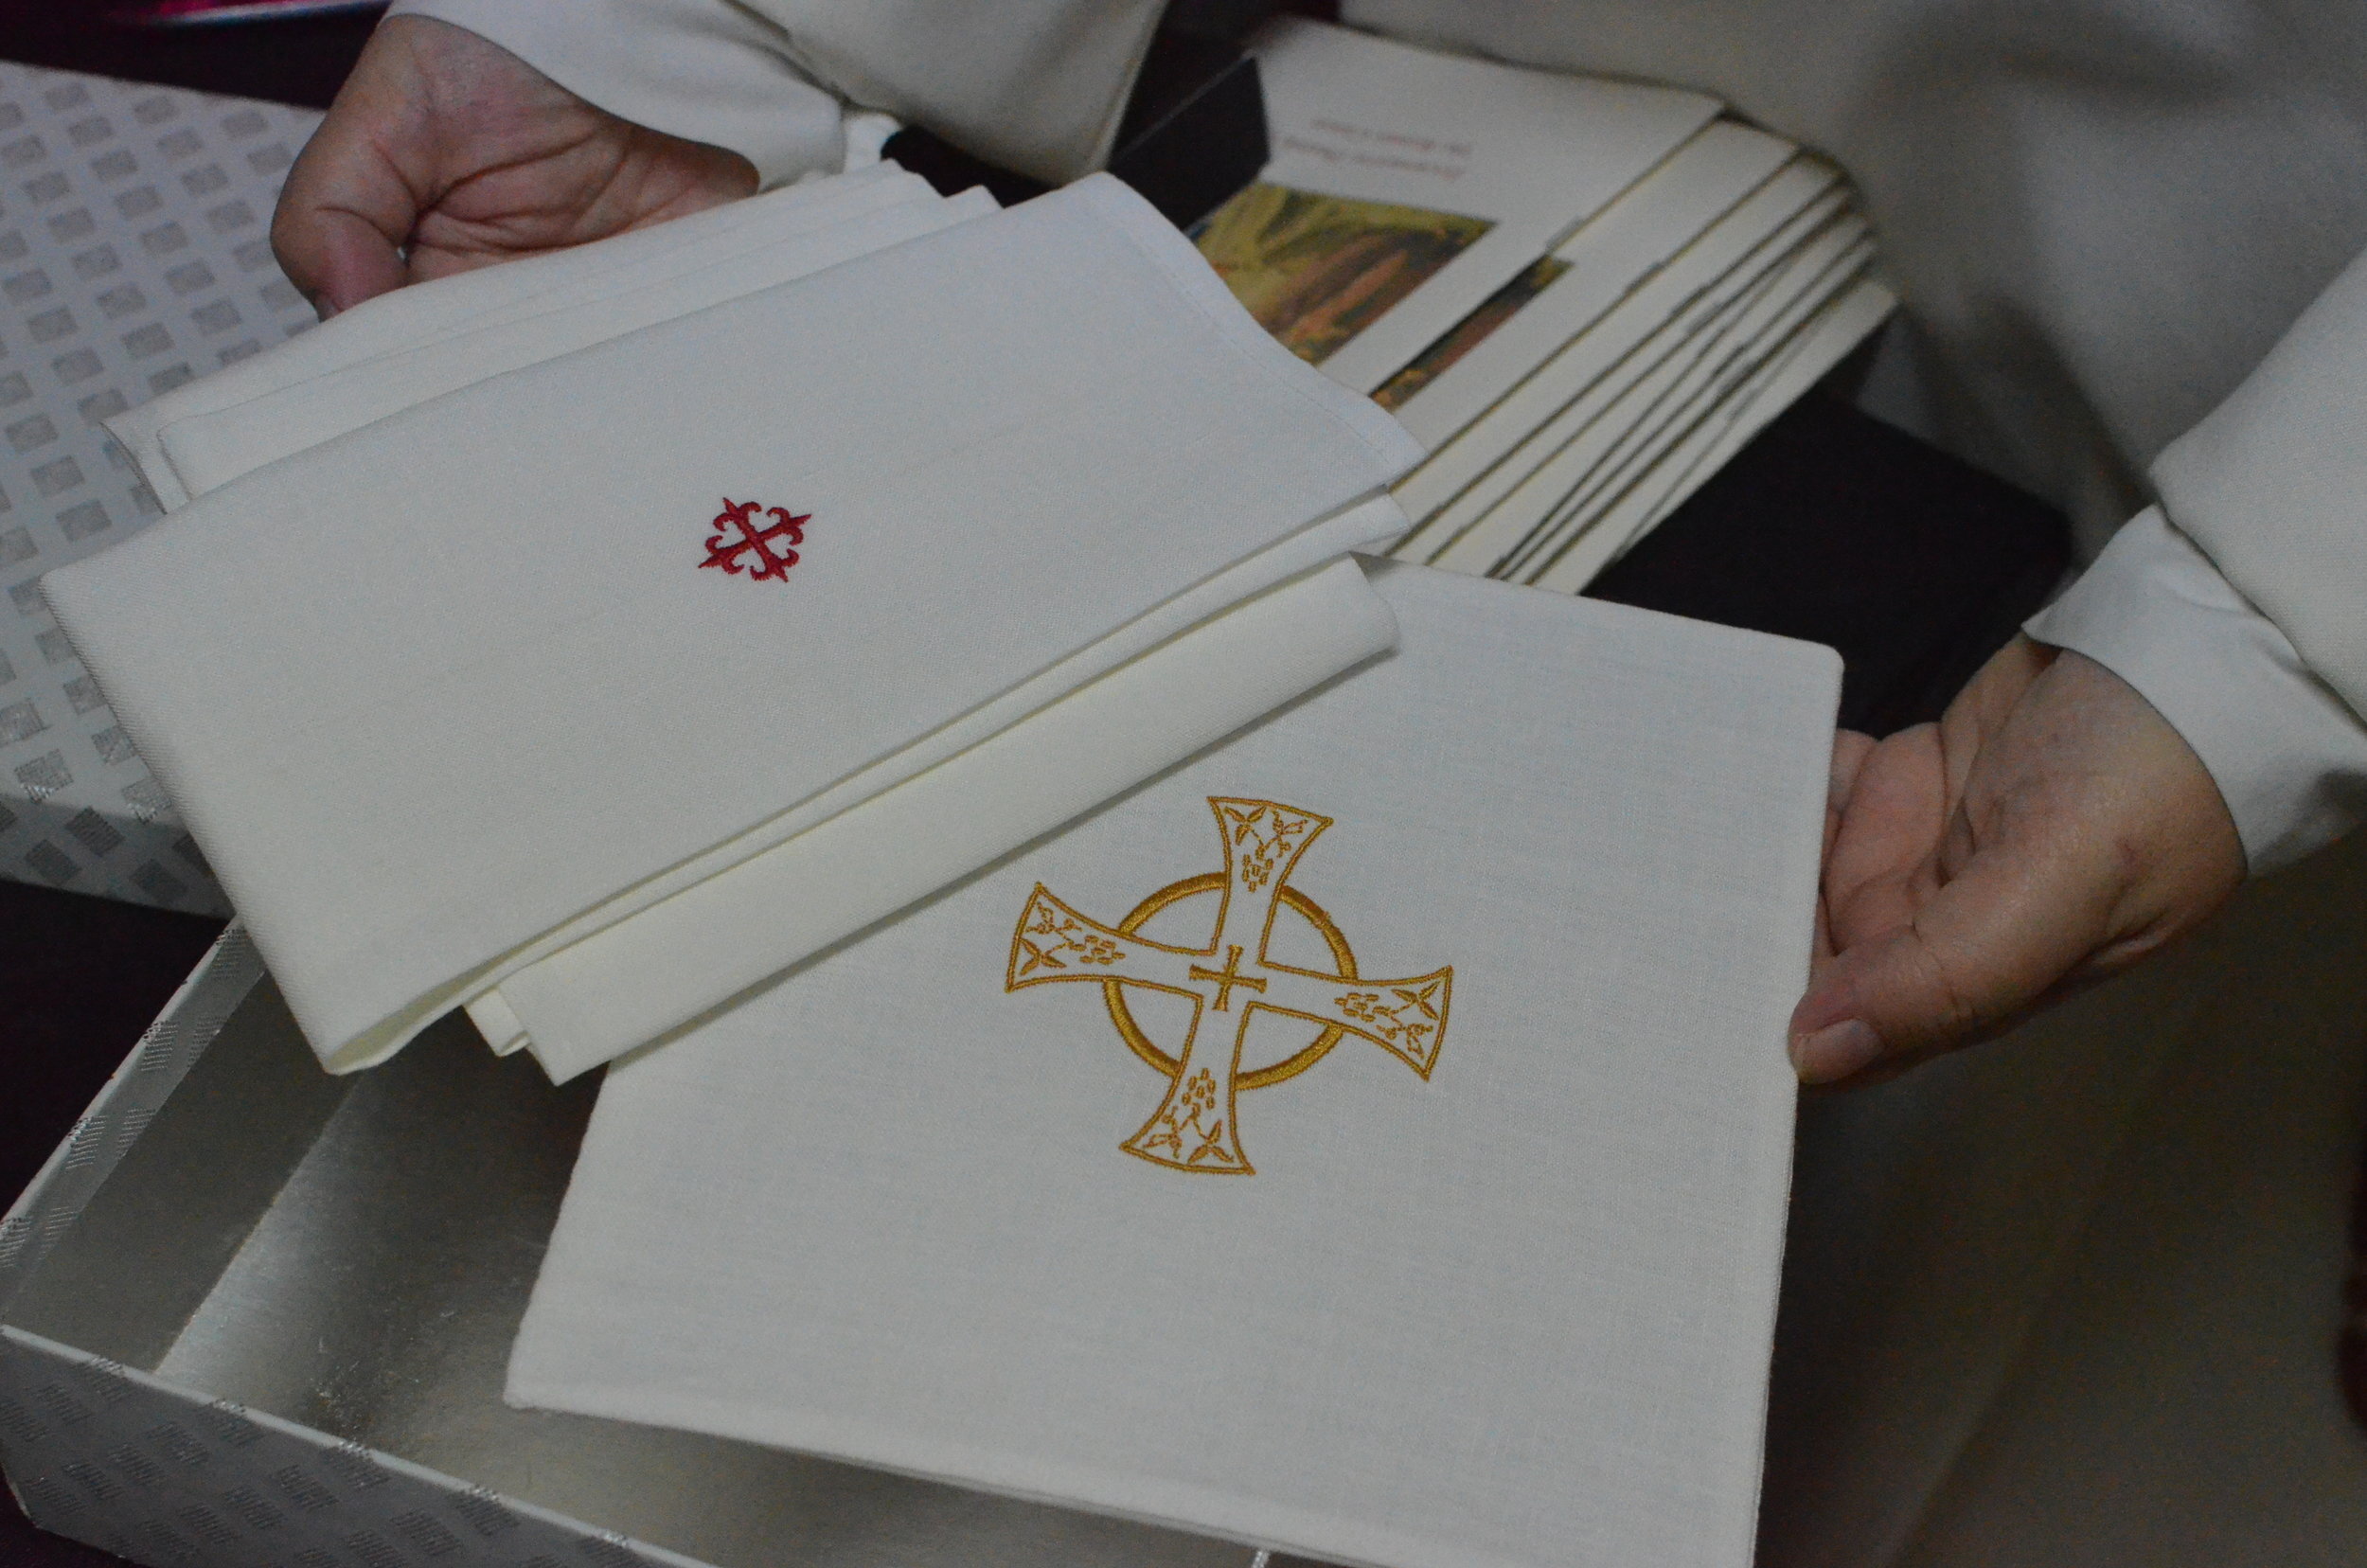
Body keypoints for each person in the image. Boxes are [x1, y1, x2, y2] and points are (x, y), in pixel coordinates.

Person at [269, 5, 2367, 1561]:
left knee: (2011, 1250)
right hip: (1457, 100)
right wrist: (702, 18)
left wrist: (2275, 622)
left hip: (2220, 277)